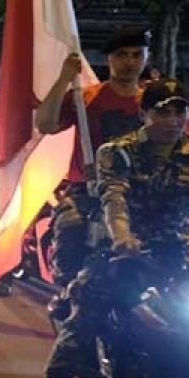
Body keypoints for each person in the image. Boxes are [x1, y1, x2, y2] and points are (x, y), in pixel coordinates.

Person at [33, 79, 189, 378]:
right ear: (144, 114)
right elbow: (114, 197)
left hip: (176, 248)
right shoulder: (119, 152)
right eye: (163, 111)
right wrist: (122, 237)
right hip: (125, 248)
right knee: (84, 318)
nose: (172, 120)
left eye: (180, 111)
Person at [36, 26, 148, 291]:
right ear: (109, 59)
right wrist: (64, 79)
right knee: (69, 230)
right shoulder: (85, 98)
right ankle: (68, 297)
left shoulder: (154, 104)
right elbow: (45, 124)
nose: (130, 62)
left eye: (137, 54)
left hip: (141, 193)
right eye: (122, 55)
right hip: (88, 193)